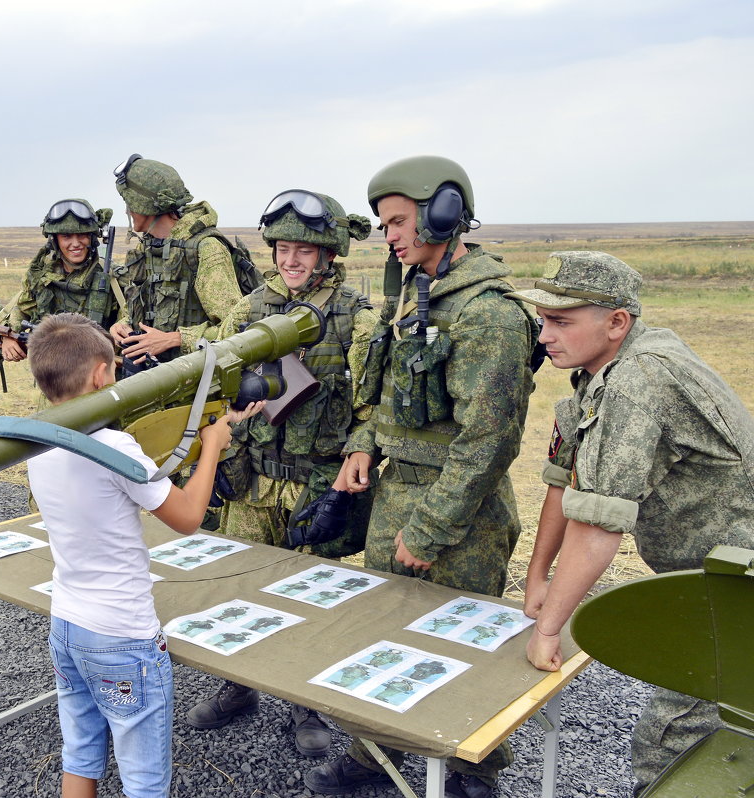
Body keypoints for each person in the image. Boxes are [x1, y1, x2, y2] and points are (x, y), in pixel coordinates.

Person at [306, 156, 537, 798]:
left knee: (457, 649)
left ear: (444, 213)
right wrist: (362, 446)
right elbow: (387, 393)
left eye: (401, 221)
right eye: (383, 226)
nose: (391, 237)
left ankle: (472, 770)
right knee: (382, 635)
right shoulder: (413, 293)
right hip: (396, 498)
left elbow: (489, 443)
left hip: (459, 518)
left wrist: (430, 528)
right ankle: (374, 751)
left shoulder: (487, 313)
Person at [507, 250, 754, 795]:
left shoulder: (636, 382)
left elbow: (599, 528)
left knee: (671, 745)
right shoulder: (604, 369)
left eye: (562, 321)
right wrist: (537, 577)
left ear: (617, 322)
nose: (545, 335)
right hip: (714, 580)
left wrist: (550, 630)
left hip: (739, 592)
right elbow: (565, 477)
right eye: (543, 320)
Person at [25, 312, 262, 798]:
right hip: (122, 636)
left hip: (67, 624)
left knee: (81, 753)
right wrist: (213, 443)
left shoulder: (34, 440)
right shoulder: (116, 448)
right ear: (101, 375)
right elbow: (188, 516)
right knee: (145, 777)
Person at [185, 190, 378, 758]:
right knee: (240, 586)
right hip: (253, 480)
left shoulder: (356, 318)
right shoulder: (248, 312)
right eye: (284, 249)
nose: (292, 261)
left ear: (327, 255)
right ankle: (238, 685)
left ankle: (307, 704)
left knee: (310, 597)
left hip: (313, 483)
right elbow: (213, 386)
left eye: (305, 251)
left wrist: (357, 456)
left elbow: (374, 405)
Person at [107, 155, 243, 367]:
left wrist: (174, 339)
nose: (127, 210)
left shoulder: (205, 249)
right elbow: (137, 310)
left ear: (145, 205)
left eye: (129, 203)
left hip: (194, 382)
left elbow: (237, 330)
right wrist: (122, 326)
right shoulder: (147, 248)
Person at [0, 199, 121, 363]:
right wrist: (10, 336)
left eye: (82, 235)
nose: (75, 244)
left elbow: (128, 320)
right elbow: (23, 308)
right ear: (55, 240)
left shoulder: (112, 277)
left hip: (100, 369)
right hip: (55, 369)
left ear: (92, 237)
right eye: (66, 237)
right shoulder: (42, 275)